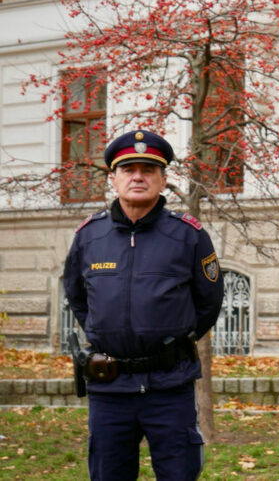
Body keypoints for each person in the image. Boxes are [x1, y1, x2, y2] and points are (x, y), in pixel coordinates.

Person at [62, 130, 224, 480]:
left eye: (148, 170)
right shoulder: (89, 236)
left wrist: (172, 341)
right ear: (113, 179)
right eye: (128, 169)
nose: (138, 177)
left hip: (171, 385)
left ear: (163, 179)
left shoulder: (188, 235)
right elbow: (77, 296)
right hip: (110, 389)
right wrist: (106, 332)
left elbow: (209, 302)